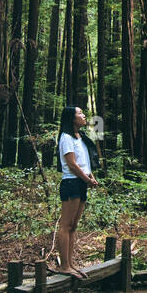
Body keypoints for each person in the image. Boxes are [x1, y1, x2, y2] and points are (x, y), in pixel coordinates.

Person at [55, 105, 99, 279]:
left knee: (73, 226)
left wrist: (91, 176)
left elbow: (83, 162)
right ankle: (64, 266)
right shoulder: (66, 138)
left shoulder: (80, 137)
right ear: (71, 119)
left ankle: (70, 263)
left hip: (81, 182)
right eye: (80, 113)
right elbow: (72, 164)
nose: (84, 115)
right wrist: (87, 180)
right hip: (71, 183)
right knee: (66, 225)